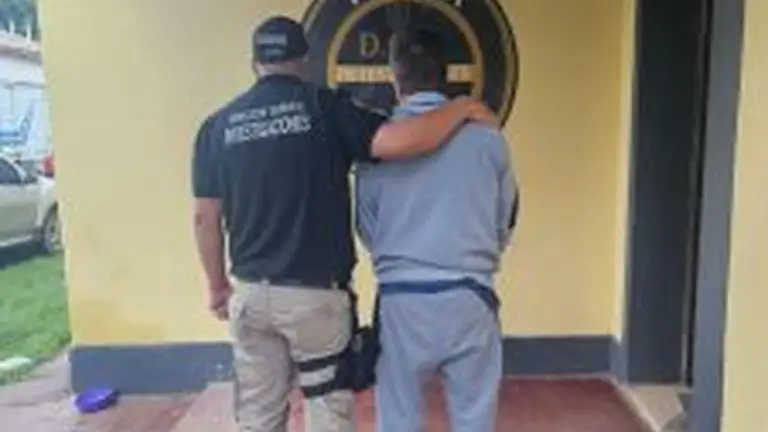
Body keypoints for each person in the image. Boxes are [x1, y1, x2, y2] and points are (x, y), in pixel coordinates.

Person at [191, 16, 496, 432]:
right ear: (305, 61)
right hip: (315, 300)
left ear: (254, 63)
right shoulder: (326, 108)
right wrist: (461, 107)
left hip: (250, 295)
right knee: (326, 412)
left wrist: (217, 287)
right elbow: (405, 141)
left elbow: (204, 217)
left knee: (258, 416)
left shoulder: (216, 127)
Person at [355, 28, 520, 432]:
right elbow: (505, 220)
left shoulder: (379, 143)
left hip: (401, 301)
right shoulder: (489, 139)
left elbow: (367, 227)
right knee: (474, 420)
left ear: (395, 78)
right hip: (470, 295)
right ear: (445, 75)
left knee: (398, 421)